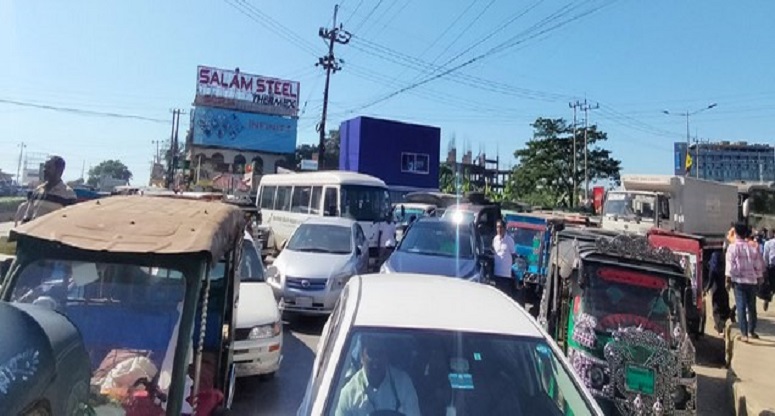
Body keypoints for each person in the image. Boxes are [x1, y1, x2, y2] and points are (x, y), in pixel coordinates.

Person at [335, 336, 421, 416]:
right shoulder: (348, 395)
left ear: (386, 356)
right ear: (361, 356)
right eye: (371, 353)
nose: (376, 360)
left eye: (380, 353)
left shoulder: (403, 384)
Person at [726, 222, 765, 342]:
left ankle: (744, 334)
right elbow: (758, 265)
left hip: (739, 281)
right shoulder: (753, 247)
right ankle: (751, 330)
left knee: (741, 306)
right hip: (752, 281)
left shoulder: (732, 248)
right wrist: (759, 278)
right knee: (751, 307)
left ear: (736, 233)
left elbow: (730, 267)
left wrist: (727, 280)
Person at [15, 156, 76, 226]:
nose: (44, 170)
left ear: (59, 171)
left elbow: (70, 222)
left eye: (49, 167)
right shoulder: (38, 191)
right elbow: (28, 216)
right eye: (45, 167)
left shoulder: (68, 195)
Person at [706, 251, 731, 335]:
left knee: (716, 310)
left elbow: (710, 280)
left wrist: (706, 289)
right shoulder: (724, 265)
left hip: (716, 290)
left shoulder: (713, 268)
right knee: (724, 307)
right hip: (724, 290)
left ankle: (720, 328)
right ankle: (726, 320)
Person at [492, 220, 517, 301]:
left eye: (500, 227)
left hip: (505, 275)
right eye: (497, 227)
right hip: (496, 273)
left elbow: (513, 256)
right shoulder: (495, 239)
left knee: (505, 297)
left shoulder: (509, 240)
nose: (499, 229)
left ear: (505, 228)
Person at [761, 229, 775, 311]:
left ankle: (767, 298)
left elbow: (765, 257)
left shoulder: (768, 243)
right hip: (772, 267)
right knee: (771, 286)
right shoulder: (768, 243)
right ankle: (767, 298)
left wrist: (765, 268)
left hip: (771, 267)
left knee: (771, 286)